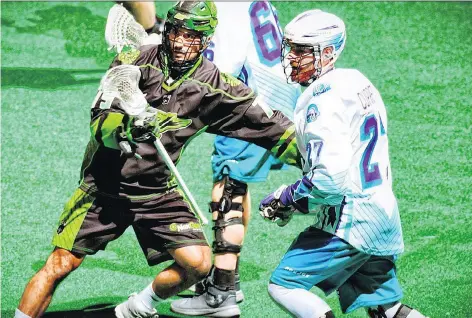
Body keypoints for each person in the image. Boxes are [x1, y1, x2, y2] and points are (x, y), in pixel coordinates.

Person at [14, 2, 300, 318]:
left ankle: (136, 307)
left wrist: (312, 159)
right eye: (176, 32)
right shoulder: (132, 62)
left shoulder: (215, 85)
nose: (180, 42)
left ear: (205, 40)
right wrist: (129, 127)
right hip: (104, 188)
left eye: (191, 36)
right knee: (60, 264)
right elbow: (100, 123)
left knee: (199, 263)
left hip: (156, 192)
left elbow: (271, 125)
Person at [122, 1, 301, 317]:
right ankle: (226, 279)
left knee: (228, 186)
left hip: (252, 94)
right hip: (279, 89)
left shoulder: (219, 10)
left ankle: (221, 292)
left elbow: (212, 77)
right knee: (237, 182)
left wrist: (153, 44)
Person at [259, 9, 429, 318]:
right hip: (382, 214)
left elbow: (329, 180)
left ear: (327, 52)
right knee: (386, 310)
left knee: (283, 285)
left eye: (301, 50)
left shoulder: (320, 101)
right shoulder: (357, 81)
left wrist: (286, 197)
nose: (291, 57)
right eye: (291, 47)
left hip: (351, 222)